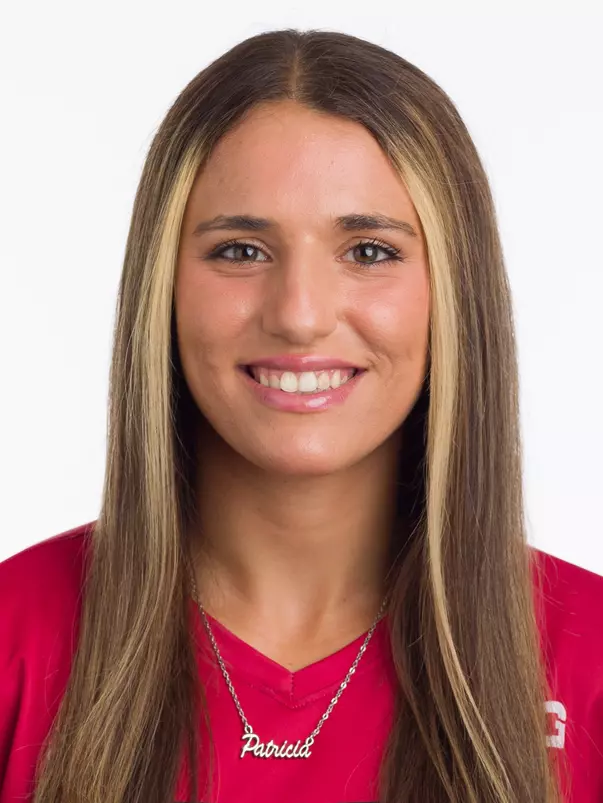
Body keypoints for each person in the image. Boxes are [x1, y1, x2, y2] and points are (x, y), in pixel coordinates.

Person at [1, 27, 602, 803]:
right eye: (242, 250)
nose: (299, 315)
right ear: (165, 287)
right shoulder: (18, 637)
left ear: (453, 290)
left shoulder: (584, 663)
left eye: (369, 251)